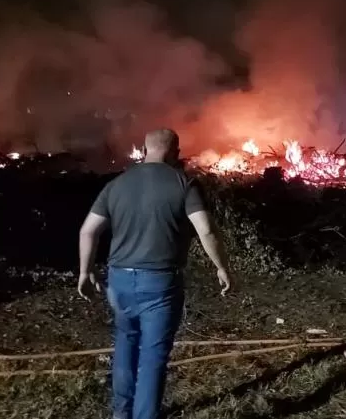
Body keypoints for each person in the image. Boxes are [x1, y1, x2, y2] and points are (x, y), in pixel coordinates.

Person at [77, 129, 233, 419]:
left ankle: (121, 414)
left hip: (119, 279)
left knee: (125, 341)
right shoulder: (183, 183)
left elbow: (88, 230)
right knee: (152, 356)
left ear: (144, 149)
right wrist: (221, 266)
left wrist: (85, 271)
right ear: (175, 151)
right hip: (160, 283)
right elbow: (206, 230)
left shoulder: (117, 184)